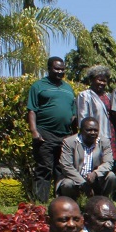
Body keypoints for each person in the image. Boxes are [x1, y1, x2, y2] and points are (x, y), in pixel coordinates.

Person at [27, 56, 76, 202]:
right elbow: (31, 110)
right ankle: (40, 204)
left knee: (61, 169)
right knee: (45, 168)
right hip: (45, 133)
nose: (60, 72)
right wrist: (34, 131)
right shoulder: (38, 86)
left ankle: (60, 202)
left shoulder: (68, 88)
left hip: (65, 136)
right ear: (49, 69)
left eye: (62, 69)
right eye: (56, 68)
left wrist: (74, 134)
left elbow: (72, 114)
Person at [57, 118, 116, 199]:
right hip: (76, 179)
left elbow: (108, 162)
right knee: (67, 183)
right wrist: (82, 182)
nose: (93, 133)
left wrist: (95, 173)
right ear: (81, 130)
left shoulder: (104, 142)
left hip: (96, 179)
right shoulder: (69, 142)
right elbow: (66, 166)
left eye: (95, 130)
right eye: (89, 130)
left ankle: (104, 201)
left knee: (111, 176)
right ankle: (72, 204)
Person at [76, 65, 113, 144]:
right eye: (99, 80)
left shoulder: (108, 96)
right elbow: (82, 118)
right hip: (94, 136)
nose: (102, 83)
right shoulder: (84, 95)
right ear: (92, 80)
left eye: (104, 81)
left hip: (110, 134)